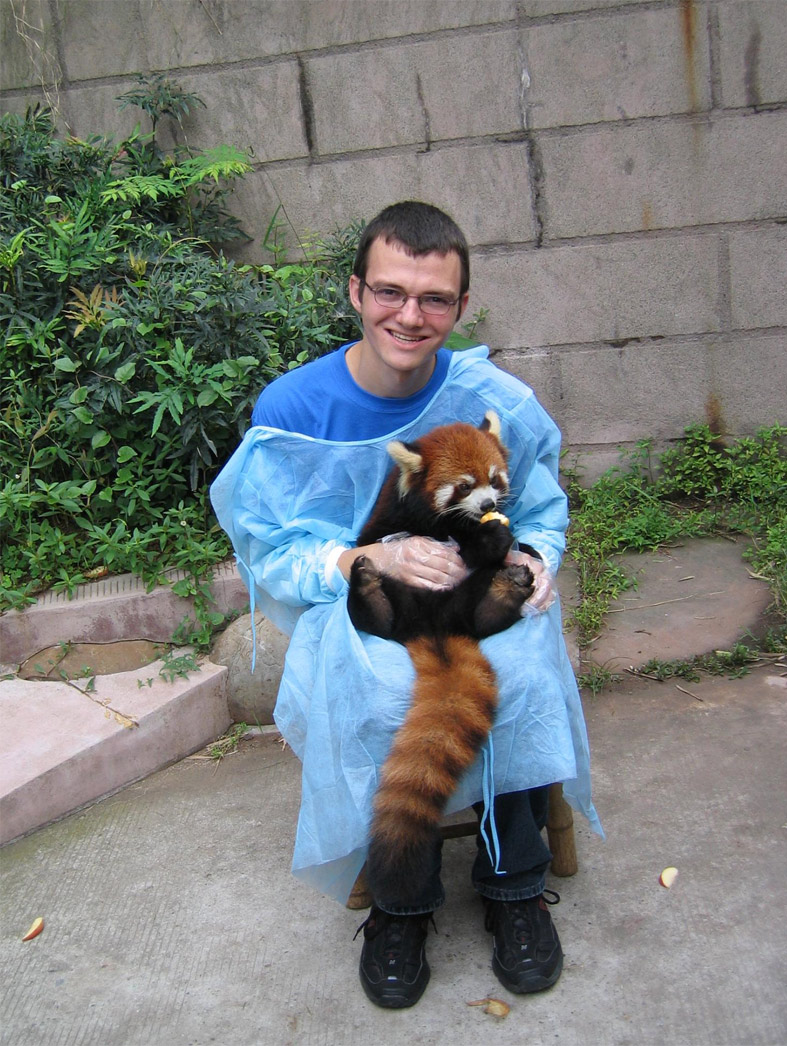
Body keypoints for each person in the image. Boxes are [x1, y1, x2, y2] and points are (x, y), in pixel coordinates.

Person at [210, 201, 602, 1009]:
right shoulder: (293, 408)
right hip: (361, 599)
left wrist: (535, 556)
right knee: (382, 693)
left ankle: (514, 884)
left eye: (433, 299)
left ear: (459, 308)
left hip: (478, 594)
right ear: (356, 292)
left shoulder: (494, 395)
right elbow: (272, 549)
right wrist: (362, 555)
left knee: (521, 673)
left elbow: (541, 508)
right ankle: (402, 901)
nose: (409, 315)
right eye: (391, 292)